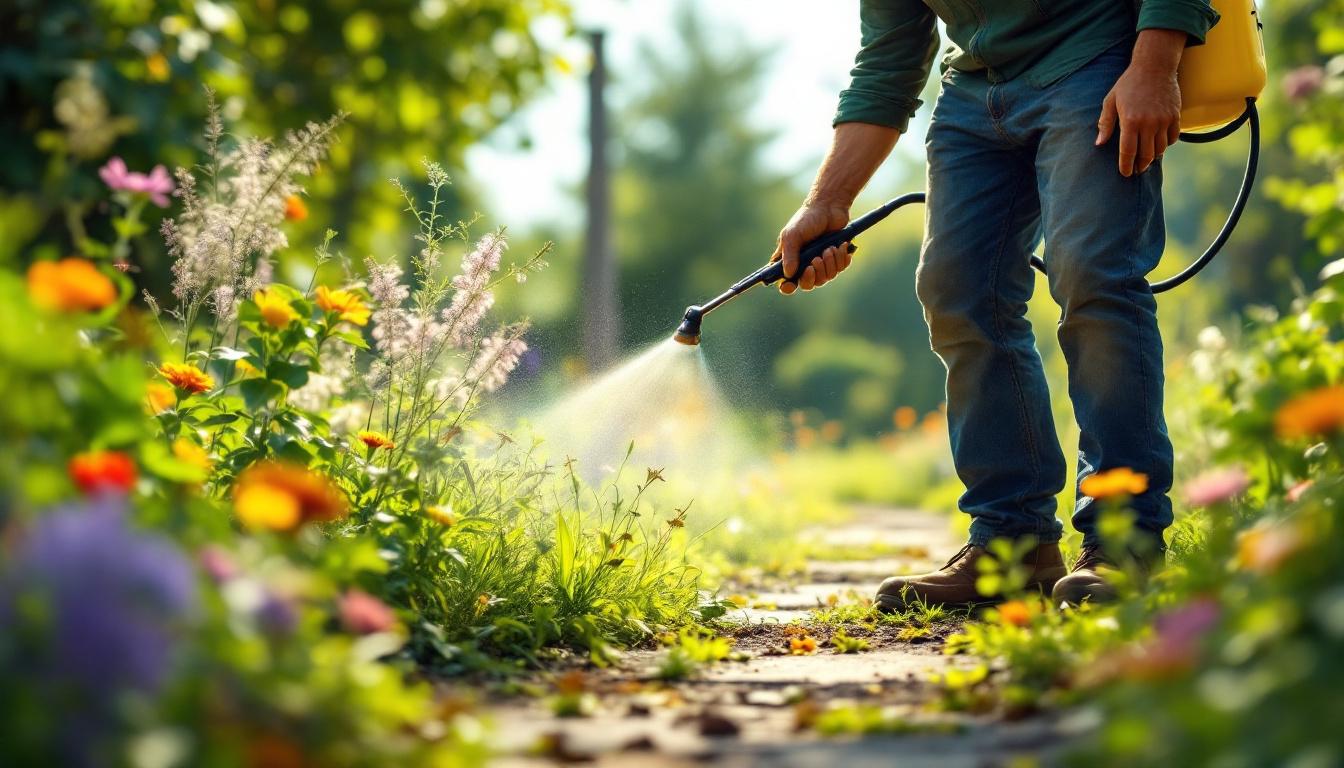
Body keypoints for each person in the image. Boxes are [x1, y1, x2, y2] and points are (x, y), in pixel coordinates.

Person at [773, 0, 1220, 608]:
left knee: (1094, 279)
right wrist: (828, 200)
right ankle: (1013, 545)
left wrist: (1154, 65)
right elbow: (888, 61)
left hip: (1094, 57)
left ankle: (1126, 542)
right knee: (956, 295)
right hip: (972, 94)